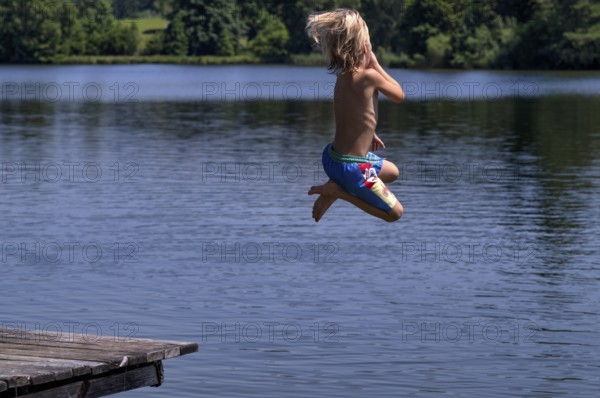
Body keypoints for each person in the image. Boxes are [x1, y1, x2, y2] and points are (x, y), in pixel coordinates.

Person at [306, 9, 405, 223]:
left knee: (392, 172)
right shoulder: (370, 77)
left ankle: (336, 184)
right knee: (395, 213)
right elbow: (399, 95)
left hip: (332, 159)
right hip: (355, 168)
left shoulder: (342, 78)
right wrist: (377, 65)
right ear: (363, 45)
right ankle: (339, 193)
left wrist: (369, 131)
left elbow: (351, 112)